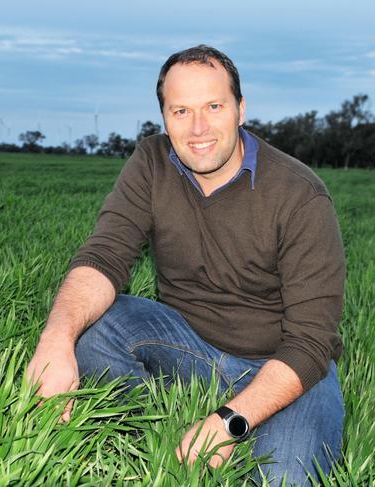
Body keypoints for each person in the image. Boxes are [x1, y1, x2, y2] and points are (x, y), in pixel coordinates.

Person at [25, 45, 345, 486]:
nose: (198, 128)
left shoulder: (300, 195)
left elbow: (311, 342)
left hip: (285, 363)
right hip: (189, 347)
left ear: (240, 109)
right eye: (181, 111)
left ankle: (235, 424)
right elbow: (104, 255)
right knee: (90, 328)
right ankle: (156, 435)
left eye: (213, 106)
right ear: (164, 117)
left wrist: (231, 421)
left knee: (286, 477)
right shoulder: (151, 163)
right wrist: (55, 339)